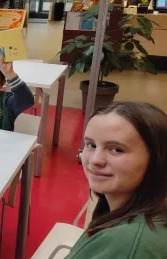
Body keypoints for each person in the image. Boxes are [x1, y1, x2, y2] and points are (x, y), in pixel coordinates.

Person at [66, 102, 167, 258]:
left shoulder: (130, 246)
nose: (95, 160)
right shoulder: (125, 208)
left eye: (116, 149)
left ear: (157, 159)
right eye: (91, 145)